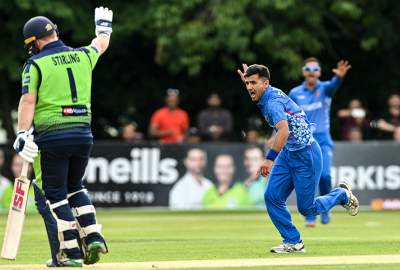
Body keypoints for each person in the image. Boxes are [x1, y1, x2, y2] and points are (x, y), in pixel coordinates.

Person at [14, 7, 112, 266]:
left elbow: (28, 100)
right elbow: (100, 44)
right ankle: (93, 235)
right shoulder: (82, 56)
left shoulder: (35, 63)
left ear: (34, 42)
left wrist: (22, 133)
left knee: (55, 194)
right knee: (75, 187)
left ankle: (71, 251)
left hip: (52, 137)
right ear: (55, 32)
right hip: (83, 135)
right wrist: (103, 28)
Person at [237, 63, 358, 253]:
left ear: (266, 83)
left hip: (306, 155)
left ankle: (341, 195)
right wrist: (250, 80)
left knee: (307, 209)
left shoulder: (271, 103)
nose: (249, 87)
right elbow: (283, 130)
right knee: (272, 197)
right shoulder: (266, 92)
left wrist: (269, 159)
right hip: (288, 153)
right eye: (247, 83)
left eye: (253, 83)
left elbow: (283, 131)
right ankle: (293, 241)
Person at [288, 57, 351, 227]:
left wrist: (339, 77)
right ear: (303, 71)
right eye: (308, 69)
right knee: (309, 178)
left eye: (315, 69)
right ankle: (310, 215)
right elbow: (285, 116)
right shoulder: (295, 93)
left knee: (325, 176)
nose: (311, 72)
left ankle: (325, 208)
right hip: (303, 142)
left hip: (322, 141)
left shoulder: (324, 89)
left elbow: (333, 87)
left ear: (319, 72)